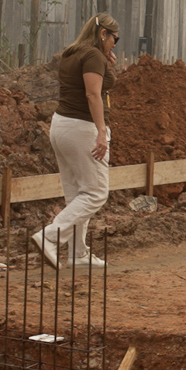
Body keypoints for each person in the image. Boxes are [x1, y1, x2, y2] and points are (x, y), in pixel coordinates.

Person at [38, 13, 120, 268]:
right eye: (114, 38)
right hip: (82, 128)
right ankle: (49, 237)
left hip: (61, 125)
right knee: (96, 193)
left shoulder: (72, 53)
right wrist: (101, 132)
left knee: (77, 195)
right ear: (103, 33)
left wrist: (108, 66)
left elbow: (94, 86)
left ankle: (78, 254)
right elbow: (93, 95)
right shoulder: (92, 55)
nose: (115, 44)